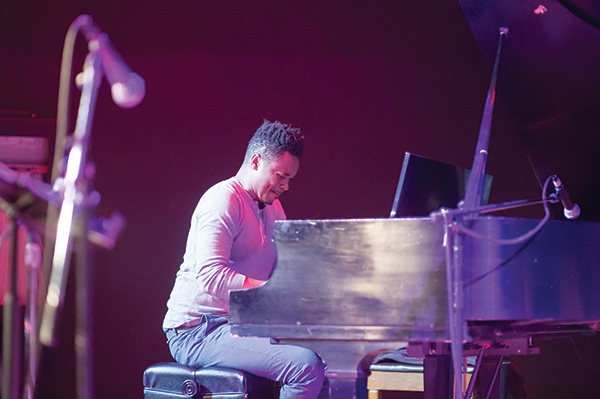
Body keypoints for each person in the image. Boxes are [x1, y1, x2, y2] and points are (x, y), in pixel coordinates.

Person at [162, 120, 326, 398]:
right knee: (305, 367)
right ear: (255, 161)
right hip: (197, 331)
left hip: (238, 325)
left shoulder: (274, 209)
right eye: (281, 176)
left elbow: (281, 274)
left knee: (330, 357)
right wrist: (270, 292)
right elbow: (211, 277)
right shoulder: (222, 200)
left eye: (290, 179)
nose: (286, 186)